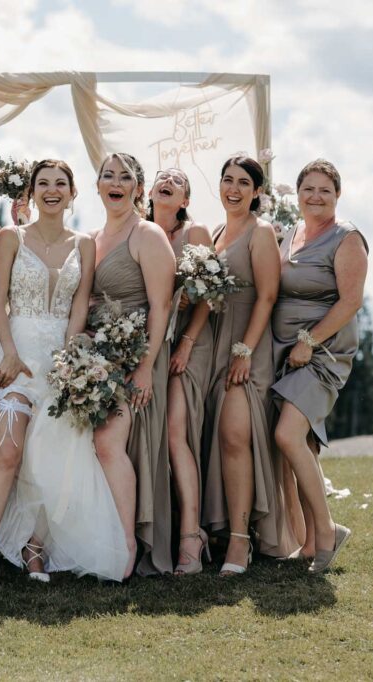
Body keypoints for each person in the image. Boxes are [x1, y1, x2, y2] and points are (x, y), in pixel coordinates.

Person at [0, 159, 128, 587]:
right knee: (9, 452)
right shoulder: (12, 237)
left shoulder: (84, 243)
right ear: (31, 193)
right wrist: (9, 355)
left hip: (59, 365)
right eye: (43, 184)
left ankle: (34, 547)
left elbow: (79, 306)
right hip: (14, 359)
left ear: (72, 193)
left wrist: (72, 361)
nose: (52, 190)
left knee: (56, 457)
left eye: (61, 184)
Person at [271, 158, 369, 573]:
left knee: (287, 435)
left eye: (325, 190)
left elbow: (350, 301)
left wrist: (310, 342)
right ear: (297, 194)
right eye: (308, 189)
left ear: (337, 196)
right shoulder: (290, 234)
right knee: (306, 442)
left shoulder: (346, 238)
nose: (316, 197)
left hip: (322, 353)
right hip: (284, 351)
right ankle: (311, 542)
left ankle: (326, 530)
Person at [203, 154, 298, 577]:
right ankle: (223, 531)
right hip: (216, 342)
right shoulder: (219, 233)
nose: (234, 189)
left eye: (243, 182)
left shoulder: (260, 233)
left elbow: (267, 296)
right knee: (217, 438)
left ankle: (241, 540)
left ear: (257, 191)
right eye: (228, 180)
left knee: (235, 435)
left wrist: (245, 349)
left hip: (249, 344)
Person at [89, 153, 175, 577]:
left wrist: (145, 366)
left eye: (125, 177)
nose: (116, 182)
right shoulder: (93, 236)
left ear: (138, 188)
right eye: (108, 175)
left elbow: (161, 305)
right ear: (98, 185)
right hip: (96, 358)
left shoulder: (148, 235)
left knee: (107, 444)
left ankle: (126, 545)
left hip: (137, 355)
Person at [147, 168, 214, 575]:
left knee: (174, 432)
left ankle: (192, 534)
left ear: (184, 200)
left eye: (178, 180)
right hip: (151, 345)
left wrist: (187, 342)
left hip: (189, 343)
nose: (167, 180)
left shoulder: (196, 234)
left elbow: (209, 294)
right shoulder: (136, 230)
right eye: (161, 176)